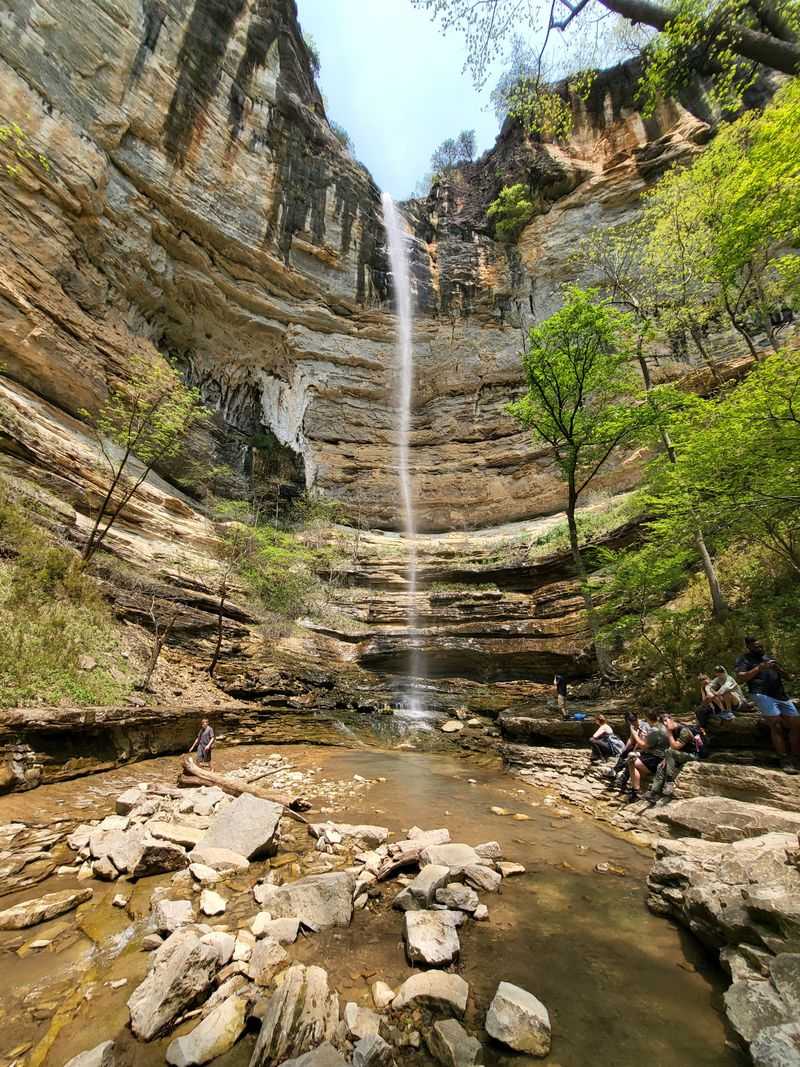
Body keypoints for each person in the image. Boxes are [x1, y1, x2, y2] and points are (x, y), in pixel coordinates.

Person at [735, 636, 800, 774]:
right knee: (776, 725)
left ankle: (796, 757)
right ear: (749, 647)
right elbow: (740, 678)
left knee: (796, 725)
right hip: (761, 693)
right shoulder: (744, 659)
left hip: (781, 695)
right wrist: (759, 668)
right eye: (756, 647)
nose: (760, 648)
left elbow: (789, 678)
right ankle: (785, 759)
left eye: (761, 646)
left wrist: (779, 669)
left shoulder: (769, 658)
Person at [645, 714, 702, 802]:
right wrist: (666, 758)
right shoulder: (672, 731)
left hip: (693, 755)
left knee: (669, 752)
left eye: (666, 720)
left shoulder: (684, 730)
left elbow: (675, 746)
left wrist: (669, 733)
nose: (665, 724)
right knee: (661, 765)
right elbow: (671, 748)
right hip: (680, 755)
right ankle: (654, 793)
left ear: (671, 719)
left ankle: (669, 781)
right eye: (663, 722)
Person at [625, 710, 670, 803]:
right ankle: (635, 788)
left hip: (657, 758)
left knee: (631, 761)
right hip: (660, 755)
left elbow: (643, 745)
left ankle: (635, 791)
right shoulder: (661, 726)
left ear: (648, 719)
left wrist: (634, 733)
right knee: (634, 759)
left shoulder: (654, 730)